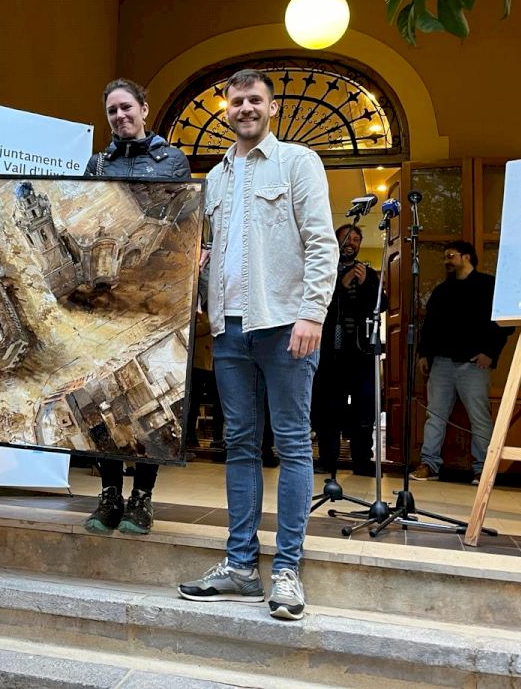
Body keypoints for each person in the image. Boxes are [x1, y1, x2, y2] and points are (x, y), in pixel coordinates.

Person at [177, 68, 337, 621]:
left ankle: (288, 570)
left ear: (272, 108)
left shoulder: (298, 162)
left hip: (285, 323)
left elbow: (321, 243)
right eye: (236, 101)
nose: (245, 108)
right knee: (240, 445)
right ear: (226, 111)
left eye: (254, 100)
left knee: (292, 444)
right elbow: (214, 249)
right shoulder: (216, 177)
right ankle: (241, 566)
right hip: (229, 330)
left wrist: (312, 313)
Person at [82, 78, 191, 536]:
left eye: (127, 107)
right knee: (104, 388)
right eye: (112, 110)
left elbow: (184, 221)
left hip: (155, 292)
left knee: (151, 395)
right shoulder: (97, 163)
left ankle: (141, 499)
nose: (120, 116)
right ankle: (109, 494)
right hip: (108, 292)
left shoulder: (173, 160)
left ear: (144, 109)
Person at [411, 241, 513, 484]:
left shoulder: (488, 285)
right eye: (445, 256)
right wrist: (424, 354)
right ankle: (429, 464)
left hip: (474, 364)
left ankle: (484, 469)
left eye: (450, 256)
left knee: (480, 418)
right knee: (435, 416)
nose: (446, 260)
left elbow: (505, 323)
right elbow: (430, 325)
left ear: (466, 256)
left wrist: (490, 352)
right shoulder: (441, 291)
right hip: (441, 363)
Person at [311, 223, 387, 476]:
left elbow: (381, 305)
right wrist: (341, 285)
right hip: (330, 354)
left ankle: (362, 460)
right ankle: (327, 459)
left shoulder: (368, 273)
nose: (351, 243)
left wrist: (365, 284)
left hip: (360, 354)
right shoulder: (324, 270)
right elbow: (317, 304)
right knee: (328, 409)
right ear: (336, 242)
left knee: (364, 409)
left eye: (356, 239)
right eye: (346, 238)